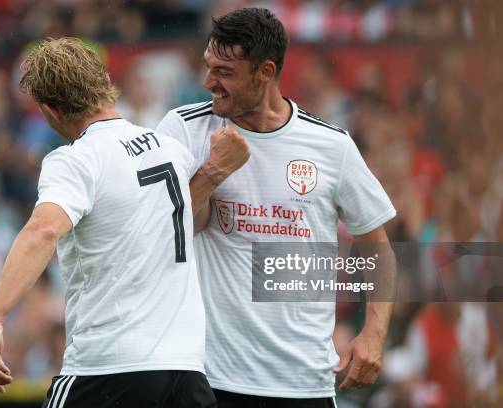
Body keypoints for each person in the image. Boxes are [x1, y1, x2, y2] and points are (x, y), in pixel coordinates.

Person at [0, 37, 248, 407]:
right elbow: (189, 219)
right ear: (106, 80)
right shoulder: (169, 148)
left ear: (50, 110)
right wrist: (212, 174)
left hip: (107, 370)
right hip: (186, 373)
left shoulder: (74, 160)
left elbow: (43, 231)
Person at [156, 8, 397, 407]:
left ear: (265, 72)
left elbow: (378, 247)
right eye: (208, 66)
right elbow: (167, 231)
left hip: (303, 380)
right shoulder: (184, 129)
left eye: (224, 72)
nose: (208, 82)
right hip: (209, 377)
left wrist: (373, 332)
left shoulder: (330, 146)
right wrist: (212, 173)